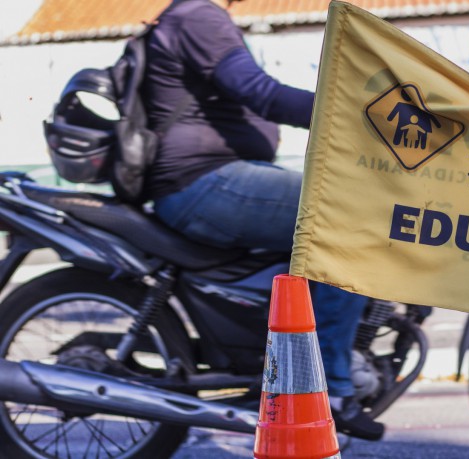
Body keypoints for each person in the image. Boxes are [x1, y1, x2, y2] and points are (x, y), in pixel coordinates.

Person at [141, 0, 384, 440]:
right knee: (349, 218)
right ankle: (329, 385)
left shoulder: (192, 17)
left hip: (216, 179)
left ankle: (291, 353)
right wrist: (356, 115)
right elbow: (259, 92)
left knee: (327, 200)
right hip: (204, 183)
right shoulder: (199, 16)